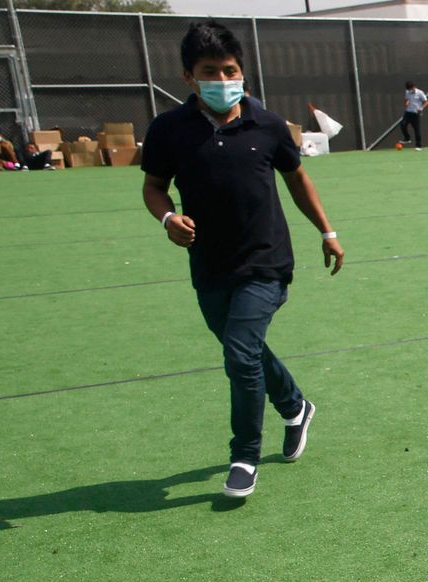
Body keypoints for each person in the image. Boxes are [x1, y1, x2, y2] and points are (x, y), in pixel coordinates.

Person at [141, 20, 341, 500]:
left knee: (240, 352)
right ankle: (296, 406)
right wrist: (168, 218)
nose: (223, 79)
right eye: (210, 71)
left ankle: (245, 456)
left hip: (267, 262)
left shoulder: (268, 124)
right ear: (189, 76)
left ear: (243, 73)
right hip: (209, 264)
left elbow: (298, 181)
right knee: (243, 349)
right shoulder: (169, 129)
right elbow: (152, 187)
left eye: (231, 70)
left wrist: (327, 231)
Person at [403, 81, 428, 149]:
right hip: (408, 112)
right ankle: (407, 138)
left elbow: (426, 102)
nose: (410, 90)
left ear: (414, 87)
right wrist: (406, 103)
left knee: (416, 129)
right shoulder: (407, 92)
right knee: (403, 124)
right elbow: (406, 100)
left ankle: (418, 146)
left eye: (411, 89)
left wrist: (421, 108)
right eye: (408, 89)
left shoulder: (420, 93)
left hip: (416, 113)